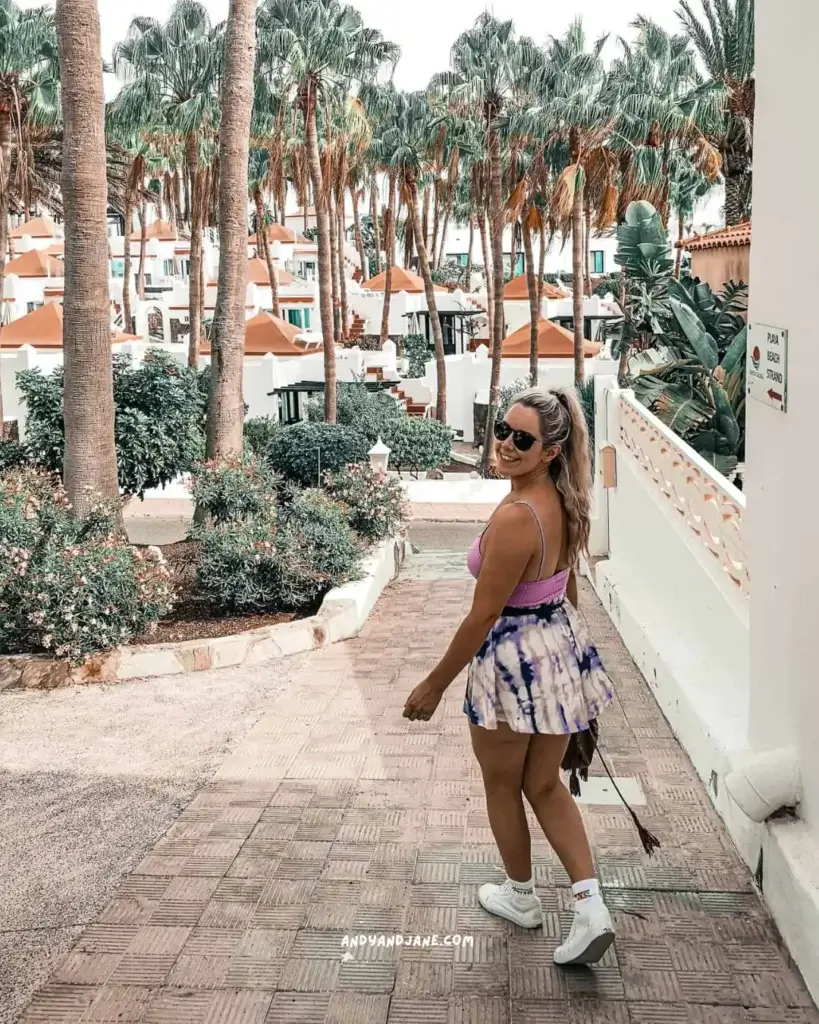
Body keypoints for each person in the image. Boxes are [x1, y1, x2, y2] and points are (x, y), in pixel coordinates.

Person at [403, 386, 615, 966]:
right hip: (556, 649)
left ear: (550, 450)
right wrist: (570, 659)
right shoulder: (565, 500)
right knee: (543, 785)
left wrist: (433, 685)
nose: (506, 444)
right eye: (502, 429)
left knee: (503, 784)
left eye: (523, 439)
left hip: (513, 661)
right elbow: (567, 584)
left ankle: (521, 897)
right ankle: (590, 904)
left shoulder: (519, 516)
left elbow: (484, 614)